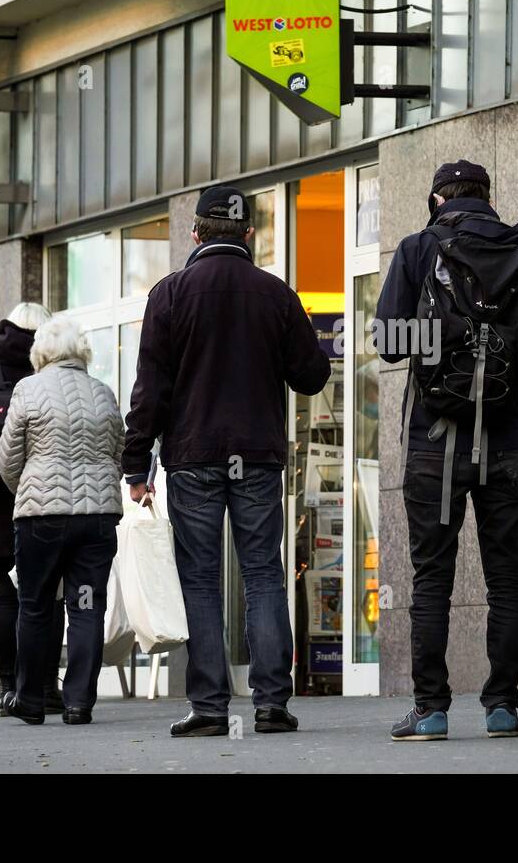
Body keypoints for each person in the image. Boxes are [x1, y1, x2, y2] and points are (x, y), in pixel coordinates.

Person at [123, 185, 330, 737]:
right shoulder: (276, 294)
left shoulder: (169, 296)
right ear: (250, 235)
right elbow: (313, 375)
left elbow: (150, 393)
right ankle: (271, 703)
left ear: (194, 234)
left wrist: (135, 465)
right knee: (263, 573)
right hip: (258, 455)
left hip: (192, 456)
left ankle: (211, 706)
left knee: (201, 580)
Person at [376, 159, 518, 742]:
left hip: (435, 440)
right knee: (507, 578)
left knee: (432, 578)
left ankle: (430, 710)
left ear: (436, 201)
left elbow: (387, 340)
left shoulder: (416, 250)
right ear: (487, 197)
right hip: (506, 441)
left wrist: (446, 339)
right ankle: (502, 707)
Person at [0, 316, 125, 725]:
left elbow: (7, 459)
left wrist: (32, 488)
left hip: (42, 520)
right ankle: (78, 703)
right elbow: (119, 455)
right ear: (82, 351)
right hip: (97, 519)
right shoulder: (103, 394)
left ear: (42, 352)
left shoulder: (28, 390)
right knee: (86, 606)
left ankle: (30, 700)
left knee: (34, 606)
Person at [0, 302, 67, 716]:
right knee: (48, 597)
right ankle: (44, 684)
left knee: (7, 598)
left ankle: (3, 685)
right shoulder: (47, 374)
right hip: (41, 500)